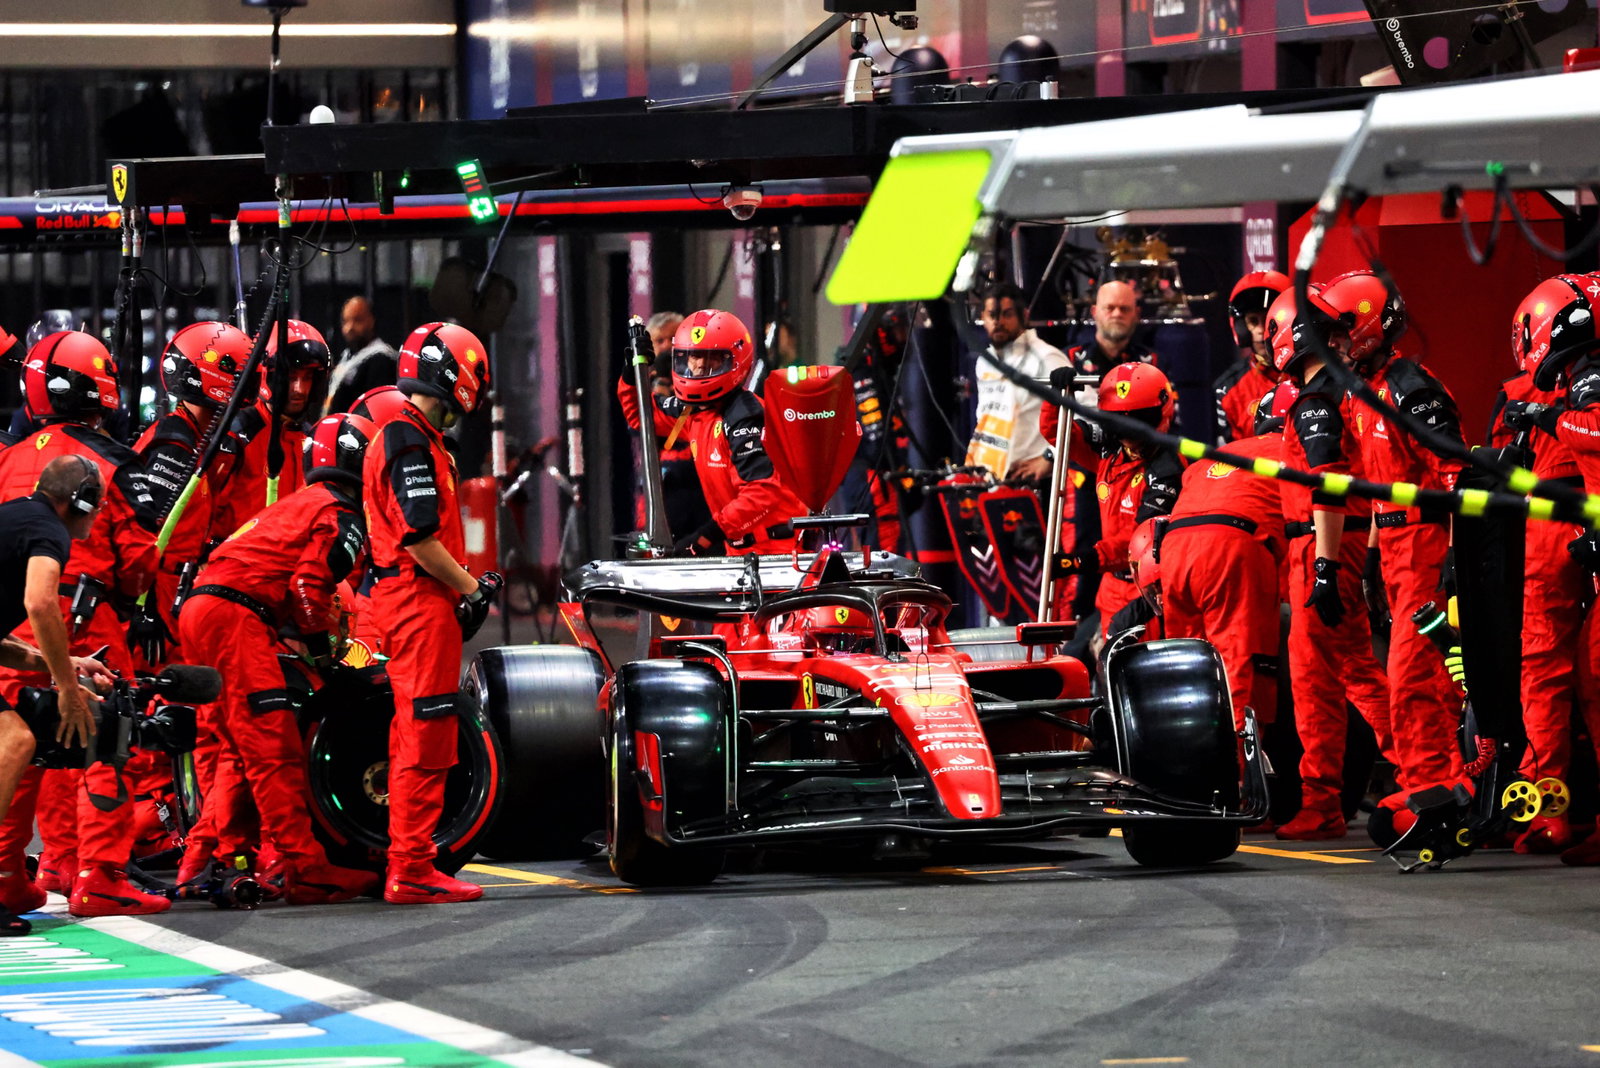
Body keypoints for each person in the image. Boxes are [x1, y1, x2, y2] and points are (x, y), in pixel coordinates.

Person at [174, 413, 381, 904]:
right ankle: (306, 868)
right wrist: (325, 653)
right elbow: (310, 588)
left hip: (203, 610)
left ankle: (203, 860)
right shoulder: (340, 512)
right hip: (235, 617)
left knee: (235, 750)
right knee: (272, 746)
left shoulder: (300, 502)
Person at [0, 332, 161, 917]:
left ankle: (8, 874)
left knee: (18, 748)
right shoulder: (113, 462)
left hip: (12, 623)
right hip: (81, 617)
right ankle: (102, 874)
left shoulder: (7, 458)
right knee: (107, 741)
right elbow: (140, 564)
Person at [362, 322, 496, 903]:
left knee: (415, 729)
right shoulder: (409, 440)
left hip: (413, 599)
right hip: (419, 601)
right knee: (428, 731)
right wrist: (470, 588)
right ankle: (412, 867)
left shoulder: (411, 436)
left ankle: (409, 860)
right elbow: (419, 538)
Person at [1325, 271, 1465, 807]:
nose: (1331, 344)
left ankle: (1430, 791)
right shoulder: (1367, 392)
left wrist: (1453, 556)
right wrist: (1373, 565)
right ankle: (1444, 789)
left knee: (1415, 679)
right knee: (1419, 678)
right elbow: (1386, 487)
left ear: (1365, 327)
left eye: (1338, 331)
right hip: (1399, 554)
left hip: (1428, 549)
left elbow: (1456, 474)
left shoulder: (1409, 387)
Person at [1266, 285, 1394, 841]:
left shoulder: (1317, 401)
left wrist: (1322, 567)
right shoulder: (1330, 394)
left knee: (1340, 676)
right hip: (1322, 546)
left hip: (1319, 545)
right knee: (1326, 676)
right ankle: (1326, 800)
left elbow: (1328, 485)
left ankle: (1418, 772)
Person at [1499, 273, 1600, 863]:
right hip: (1570, 528)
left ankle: (1552, 812)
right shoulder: (1575, 382)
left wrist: (1544, 420)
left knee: (1570, 670)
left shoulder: (1578, 387)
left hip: (1555, 525)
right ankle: (1552, 812)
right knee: (1582, 672)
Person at [0, 455, 118, 931]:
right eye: (100, 503)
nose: (102, 513)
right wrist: (68, 691)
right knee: (15, 742)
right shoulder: (48, 531)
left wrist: (62, 664)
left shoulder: (16, 516)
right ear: (82, 501)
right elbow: (41, 603)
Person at [623, 309, 807, 556]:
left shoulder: (746, 415)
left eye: (711, 358)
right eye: (692, 357)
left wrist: (705, 537)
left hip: (776, 553)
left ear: (734, 361)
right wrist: (633, 371)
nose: (699, 365)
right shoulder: (692, 411)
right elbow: (641, 416)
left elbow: (762, 492)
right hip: (739, 549)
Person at [1162, 383, 1292, 733]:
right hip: (1231, 549)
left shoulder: (1216, 455)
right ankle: (1238, 777)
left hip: (1173, 551)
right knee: (1238, 665)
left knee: (1184, 670)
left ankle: (1184, 763)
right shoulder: (1298, 453)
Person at [1056, 363, 1185, 638]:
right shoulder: (1109, 456)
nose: (1128, 430)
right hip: (1111, 588)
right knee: (1110, 674)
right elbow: (1057, 432)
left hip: (1152, 592)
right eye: (1120, 419)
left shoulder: (1169, 467)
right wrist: (1060, 394)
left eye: (1137, 419)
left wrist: (1083, 561)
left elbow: (1141, 543)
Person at [217, 319, 332, 533]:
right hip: (237, 561)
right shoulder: (238, 432)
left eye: (307, 378)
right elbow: (208, 509)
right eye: (291, 377)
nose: (300, 389)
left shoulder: (314, 441)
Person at [615, 311, 712, 542]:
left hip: (707, 498)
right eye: (660, 341)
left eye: (674, 339)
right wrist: (635, 374)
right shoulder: (646, 388)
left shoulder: (711, 387)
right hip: (664, 493)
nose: (668, 348)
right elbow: (639, 421)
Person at [965, 283, 1069, 485]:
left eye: (1007, 314)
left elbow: (1088, 412)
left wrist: (1051, 457)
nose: (998, 322)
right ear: (983, 318)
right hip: (990, 481)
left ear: (1025, 315)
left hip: (1033, 483)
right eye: (992, 314)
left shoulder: (1045, 357)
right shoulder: (985, 361)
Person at [1214, 271, 1288, 443]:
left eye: (1269, 320)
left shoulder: (1314, 375)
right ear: (1242, 327)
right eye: (1253, 321)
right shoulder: (1228, 390)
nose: (1261, 330)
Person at [1068, 280, 1158, 382]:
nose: (1117, 314)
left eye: (1124, 309)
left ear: (1137, 314)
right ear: (1094, 312)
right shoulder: (1069, 360)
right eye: (1109, 308)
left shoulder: (1153, 363)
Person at [324, 296, 397, 416]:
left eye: (357, 320)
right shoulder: (347, 356)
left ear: (371, 320)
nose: (350, 327)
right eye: (345, 321)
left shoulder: (382, 360)